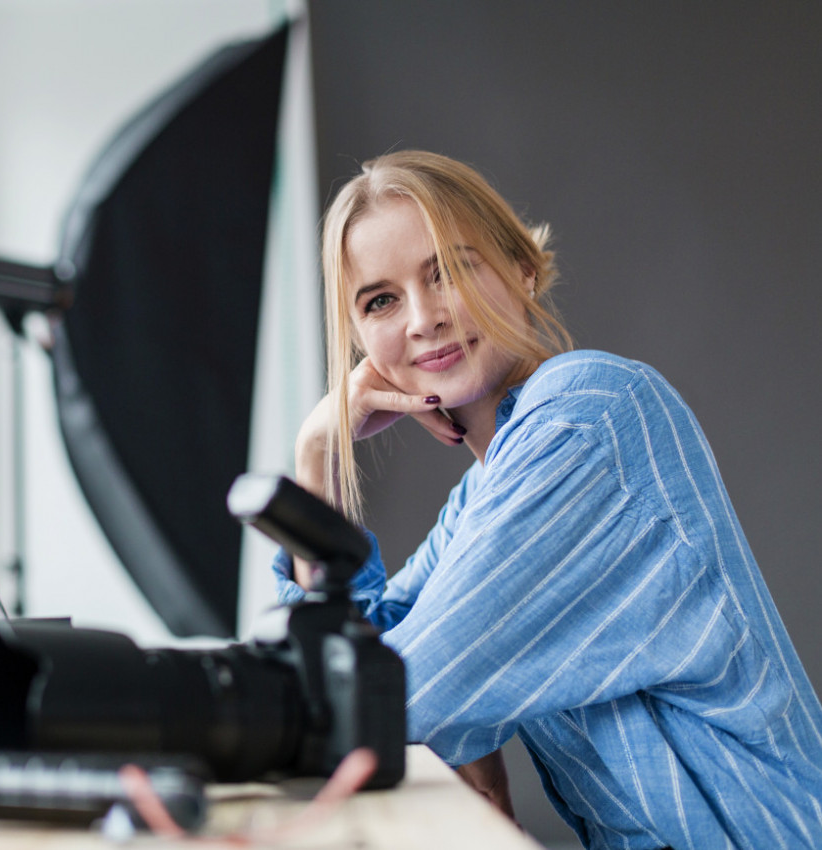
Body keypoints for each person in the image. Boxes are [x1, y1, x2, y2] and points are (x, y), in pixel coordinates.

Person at [272, 150, 822, 848]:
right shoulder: (486, 493)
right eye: (381, 300)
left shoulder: (584, 418)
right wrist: (316, 458)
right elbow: (352, 655)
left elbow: (388, 701)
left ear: (521, 268)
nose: (422, 318)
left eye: (450, 269)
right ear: (359, 339)